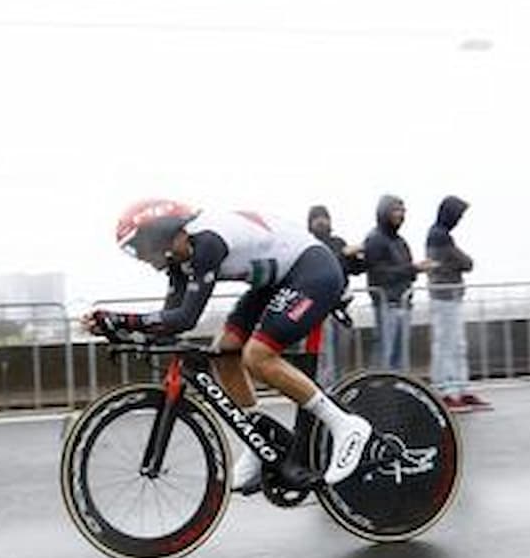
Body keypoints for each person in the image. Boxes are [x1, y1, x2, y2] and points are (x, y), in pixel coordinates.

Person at [83, 200, 373, 493]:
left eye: (146, 249)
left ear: (165, 235)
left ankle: (346, 425)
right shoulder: (181, 259)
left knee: (257, 356)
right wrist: (116, 329)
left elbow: (185, 317)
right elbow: (170, 325)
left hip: (313, 271)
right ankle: (258, 440)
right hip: (276, 282)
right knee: (225, 351)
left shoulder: (206, 242)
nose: (147, 259)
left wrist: (119, 319)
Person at [426, 196, 490, 412]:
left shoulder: (440, 235)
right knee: (446, 345)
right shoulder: (439, 236)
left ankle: (461, 389)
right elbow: (465, 262)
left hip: (449, 296)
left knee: (456, 345)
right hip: (444, 297)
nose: (459, 219)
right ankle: (446, 392)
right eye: (458, 215)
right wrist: (461, 263)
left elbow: (458, 262)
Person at [364, 195, 435, 371]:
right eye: (396, 210)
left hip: (403, 303)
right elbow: (379, 273)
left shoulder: (400, 241)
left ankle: (396, 393)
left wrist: (415, 270)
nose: (400, 215)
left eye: (403, 211)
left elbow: (405, 271)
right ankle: (379, 392)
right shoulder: (375, 238)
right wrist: (412, 268)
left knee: (400, 357)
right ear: (384, 212)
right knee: (385, 354)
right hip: (386, 303)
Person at [307, 206, 367, 386]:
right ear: (310, 223)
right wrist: (343, 255)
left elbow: (355, 269)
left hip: (341, 308)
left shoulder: (338, 241)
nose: (321, 221)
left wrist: (361, 256)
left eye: (325, 217)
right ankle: (326, 392)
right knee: (326, 358)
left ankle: (340, 390)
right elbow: (321, 265)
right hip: (319, 310)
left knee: (341, 356)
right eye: (316, 218)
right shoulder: (309, 244)